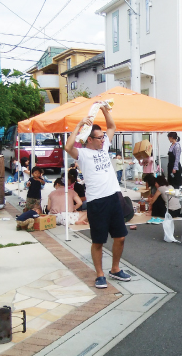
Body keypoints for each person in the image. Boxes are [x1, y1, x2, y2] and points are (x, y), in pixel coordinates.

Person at [65, 105, 131, 289]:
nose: (103, 139)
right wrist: (79, 125)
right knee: (98, 241)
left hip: (113, 198)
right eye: (99, 137)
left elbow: (112, 127)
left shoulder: (104, 148)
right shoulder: (83, 154)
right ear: (89, 139)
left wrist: (104, 109)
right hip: (96, 202)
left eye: (103, 137)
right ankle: (100, 274)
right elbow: (68, 146)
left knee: (120, 237)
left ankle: (115, 269)